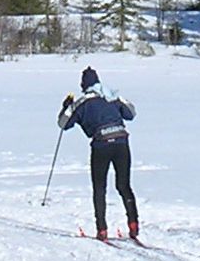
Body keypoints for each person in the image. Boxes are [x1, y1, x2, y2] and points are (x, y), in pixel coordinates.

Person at [57, 65, 139, 241]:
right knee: (124, 185)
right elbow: (131, 114)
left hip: (101, 145)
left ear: (83, 86)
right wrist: (118, 98)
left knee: (99, 188)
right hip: (121, 142)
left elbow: (63, 124)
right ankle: (133, 224)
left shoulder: (81, 103)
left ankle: (102, 229)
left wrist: (66, 107)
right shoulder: (111, 96)